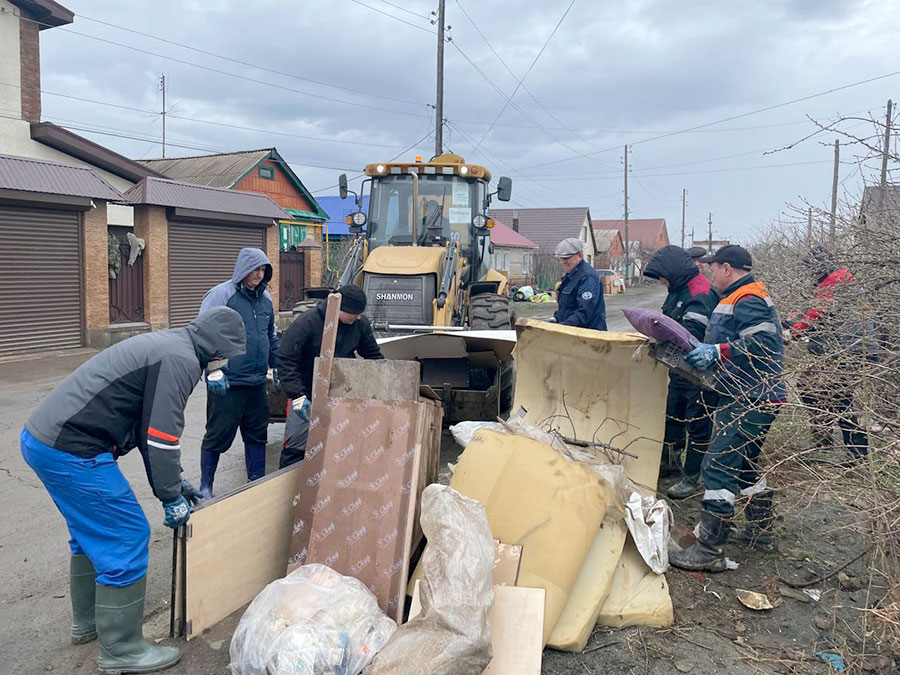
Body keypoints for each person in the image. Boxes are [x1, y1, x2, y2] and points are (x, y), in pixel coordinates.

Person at [20, 307, 246, 673]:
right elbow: (160, 437)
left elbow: (146, 427)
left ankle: (89, 625)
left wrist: (175, 482)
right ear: (217, 349)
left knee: (90, 533)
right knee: (126, 534)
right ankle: (121, 650)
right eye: (227, 354)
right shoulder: (181, 360)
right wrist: (170, 496)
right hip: (70, 449)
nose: (225, 362)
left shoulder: (172, 344)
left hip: (44, 439)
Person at [669, 245, 785, 571]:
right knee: (745, 465)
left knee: (718, 466)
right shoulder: (736, 297)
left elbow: (762, 342)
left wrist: (717, 351)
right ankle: (761, 533)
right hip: (754, 395)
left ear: (727, 268)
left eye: (713, 267)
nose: (709, 272)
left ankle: (709, 549)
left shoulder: (747, 298)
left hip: (752, 397)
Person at [197, 248, 279, 498]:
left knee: (257, 434)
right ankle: (205, 487)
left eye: (263, 270)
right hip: (228, 383)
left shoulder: (267, 299)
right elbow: (202, 333)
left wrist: (277, 367)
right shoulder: (222, 295)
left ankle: (256, 482)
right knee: (218, 435)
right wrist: (213, 370)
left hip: (256, 383)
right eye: (255, 269)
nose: (259, 274)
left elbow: (271, 336)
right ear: (243, 269)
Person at [277, 285, 384, 468]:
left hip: (342, 393)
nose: (358, 317)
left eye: (360, 313)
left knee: (339, 444)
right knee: (297, 444)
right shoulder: (307, 324)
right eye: (354, 313)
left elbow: (374, 357)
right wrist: (297, 395)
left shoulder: (359, 325)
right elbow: (286, 359)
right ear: (341, 308)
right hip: (305, 392)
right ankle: (288, 489)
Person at [643, 246, 718, 499]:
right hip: (679, 370)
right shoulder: (677, 289)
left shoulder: (699, 292)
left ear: (672, 272)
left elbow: (691, 333)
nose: (661, 282)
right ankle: (671, 465)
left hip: (700, 373)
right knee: (672, 417)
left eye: (662, 277)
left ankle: (692, 476)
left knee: (697, 423)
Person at [785, 246, 869, 459]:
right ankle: (834, 445)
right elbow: (814, 309)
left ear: (817, 266)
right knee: (819, 391)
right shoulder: (841, 279)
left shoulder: (836, 281)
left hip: (839, 353)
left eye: (810, 269)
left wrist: (790, 332)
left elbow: (816, 313)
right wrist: (793, 319)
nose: (809, 274)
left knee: (834, 397)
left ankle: (849, 452)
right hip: (846, 350)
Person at [550, 238, 607, 330]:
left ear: (580, 255)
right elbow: (567, 308)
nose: (563, 262)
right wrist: (555, 319)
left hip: (589, 336)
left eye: (567, 258)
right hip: (573, 333)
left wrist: (564, 326)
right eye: (561, 258)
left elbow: (585, 311)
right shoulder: (570, 277)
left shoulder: (588, 277)